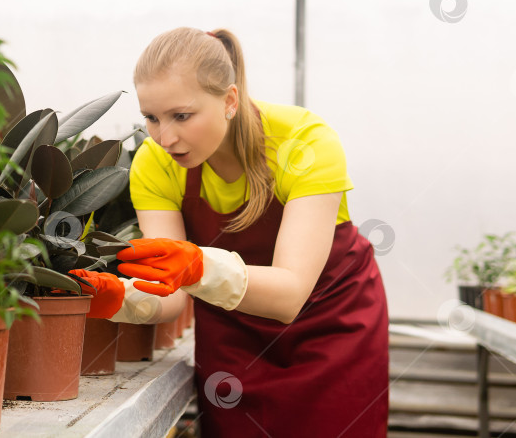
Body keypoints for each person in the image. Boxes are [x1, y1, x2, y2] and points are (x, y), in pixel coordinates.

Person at [70, 26, 389, 437]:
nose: (164, 137)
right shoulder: (155, 163)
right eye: (151, 117)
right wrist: (120, 297)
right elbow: (171, 299)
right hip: (233, 335)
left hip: (330, 329)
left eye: (182, 116)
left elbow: (291, 294)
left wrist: (197, 265)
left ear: (230, 101)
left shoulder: (304, 141)